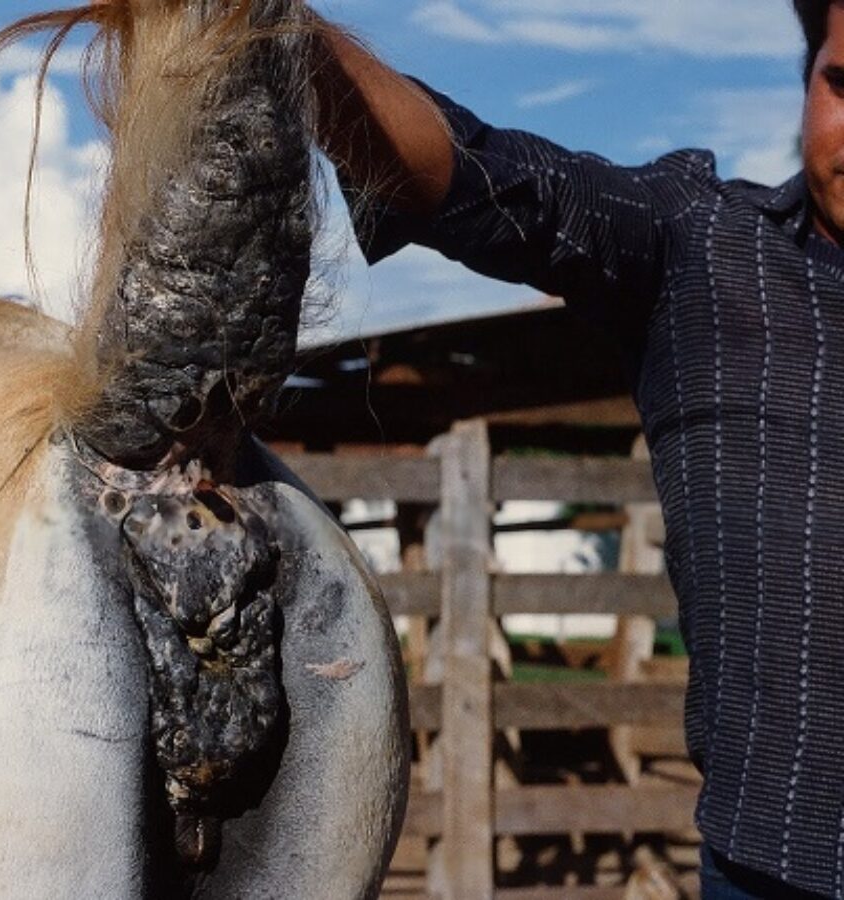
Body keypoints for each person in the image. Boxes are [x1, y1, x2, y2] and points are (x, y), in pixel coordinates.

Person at [312, 1, 844, 897]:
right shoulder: (707, 255)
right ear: (807, 88)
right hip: (776, 868)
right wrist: (260, 24)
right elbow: (467, 174)